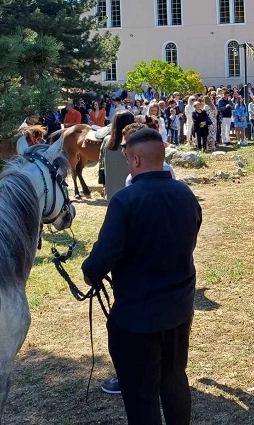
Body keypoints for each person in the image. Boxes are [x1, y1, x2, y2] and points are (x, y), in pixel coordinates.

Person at [82, 128, 201, 424]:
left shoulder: (125, 201)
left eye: (125, 153)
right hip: (179, 310)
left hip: (137, 320)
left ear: (134, 159)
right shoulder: (186, 194)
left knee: (141, 395)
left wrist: (89, 272)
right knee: (174, 381)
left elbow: (103, 257)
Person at [100, 110, 135, 202]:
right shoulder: (136, 142)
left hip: (112, 193)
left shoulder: (107, 141)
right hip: (131, 192)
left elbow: (102, 164)